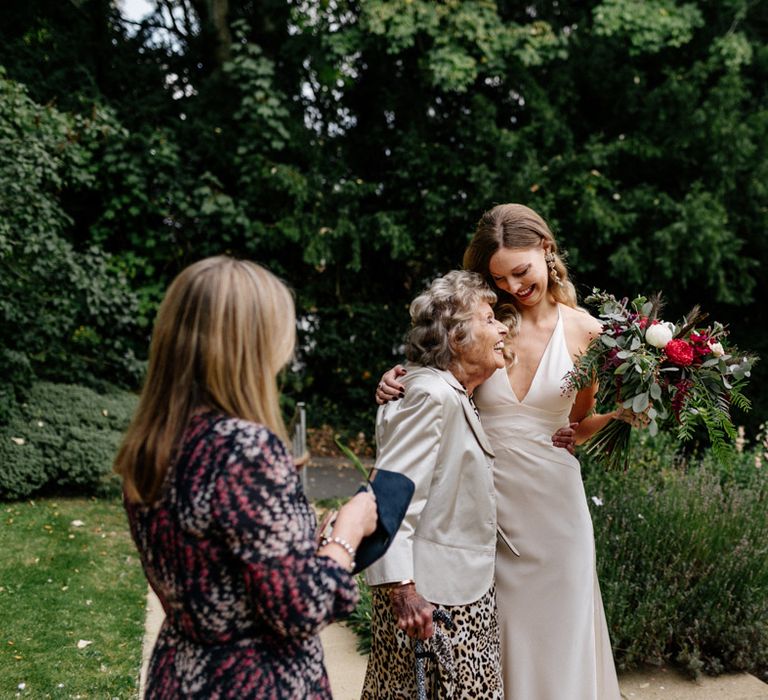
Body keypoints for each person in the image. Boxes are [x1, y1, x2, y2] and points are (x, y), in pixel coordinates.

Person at [377, 203, 629, 699]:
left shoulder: (589, 332)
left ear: (546, 250)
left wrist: (603, 423)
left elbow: (585, 418)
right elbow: (441, 381)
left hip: (554, 511)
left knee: (557, 639)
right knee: (491, 643)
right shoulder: (485, 321)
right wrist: (396, 380)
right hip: (482, 507)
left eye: (521, 271)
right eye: (500, 277)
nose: (513, 286)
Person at [114, 256, 377, 698]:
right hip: (252, 682)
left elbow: (218, 569)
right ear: (251, 344)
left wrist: (301, 547)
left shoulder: (154, 443)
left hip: (179, 676)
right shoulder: (245, 448)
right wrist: (346, 535)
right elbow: (300, 610)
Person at [362, 270, 508, 699]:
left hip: (457, 590)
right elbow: (390, 497)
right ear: (457, 337)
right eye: (488, 318)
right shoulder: (431, 396)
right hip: (432, 600)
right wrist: (403, 590)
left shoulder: (451, 390)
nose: (502, 328)